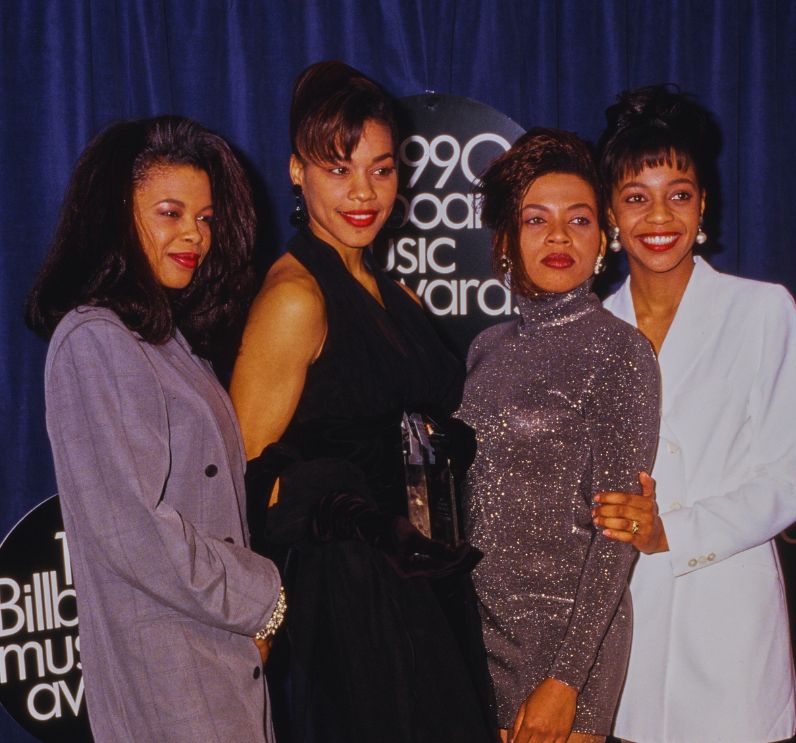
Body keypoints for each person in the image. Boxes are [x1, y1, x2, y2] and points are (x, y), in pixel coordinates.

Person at [229, 60, 493, 743]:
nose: (363, 192)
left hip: (423, 577)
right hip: (349, 599)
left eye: (380, 168)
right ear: (295, 171)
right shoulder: (296, 299)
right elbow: (239, 482)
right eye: (338, 168)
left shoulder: (392, 291)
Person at [26, 116, 284, 743]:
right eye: (170, 213)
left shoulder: (166, 341)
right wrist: (263, 598)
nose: (193, 234)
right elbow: (133, 530)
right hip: (169, 680)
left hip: (219, 662)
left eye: (205, 217)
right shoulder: (93, 340)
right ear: (116, 217)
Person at [589, 86, 796, 743]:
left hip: (729, 643)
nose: (658, 215)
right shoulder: (593, 330)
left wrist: (671, 533)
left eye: (677, 192)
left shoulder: (760, 311)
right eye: (635, 197)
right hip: (625, 642)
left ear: (702, 203)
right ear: (609, 212)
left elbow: (786, 482)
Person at [460, 128, 661, 743]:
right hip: (475, 632)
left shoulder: (620, 352)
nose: (557, 236)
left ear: (602, 240)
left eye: (578, 220)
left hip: (565, 644)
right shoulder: (484, 348)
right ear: (505, 241)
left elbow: (616, 533)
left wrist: (565, 680)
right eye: (536, 219)